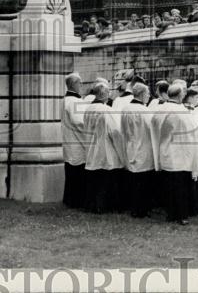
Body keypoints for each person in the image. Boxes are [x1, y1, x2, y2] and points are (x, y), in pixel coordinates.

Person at [155, 82, 198, 224]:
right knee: (181, 187)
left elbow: (155, 127)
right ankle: (181, 215)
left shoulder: (161, 109)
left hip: (166, 151)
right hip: (180, 154)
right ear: (180, 95)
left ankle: (171, 214)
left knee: (169, 186)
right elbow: (192, 131)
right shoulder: (182, 112)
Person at [83, 80, 127, 213]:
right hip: (106, 150)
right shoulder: (107, 110)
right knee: (106, 181)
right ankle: (105, 206)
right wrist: (122, 153)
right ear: (105, 94)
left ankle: (93, 205)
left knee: (95, 181)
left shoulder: (88, 109)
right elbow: (115, 132)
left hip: (92, 148)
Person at [120, 81, 156, 217]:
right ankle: (142, 209)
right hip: (144, 147)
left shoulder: (125, 109)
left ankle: (134, 207)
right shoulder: (145, 111)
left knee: (133, 179)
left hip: (130, 145)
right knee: (143, 181)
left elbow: (122, 129)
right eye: (147, 93)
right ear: (141, 94)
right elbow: (152, 130)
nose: (148, 96)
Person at [61, 72, 88, 208]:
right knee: (77, 173)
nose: (82, 85)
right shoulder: (74, 101)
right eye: (80, 83)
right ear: (74, 84)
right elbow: (79, 121)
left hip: (70, 141)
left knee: (72, 172)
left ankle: (70, 200)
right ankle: (76, 201)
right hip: (77, 141)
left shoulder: (66, 100)